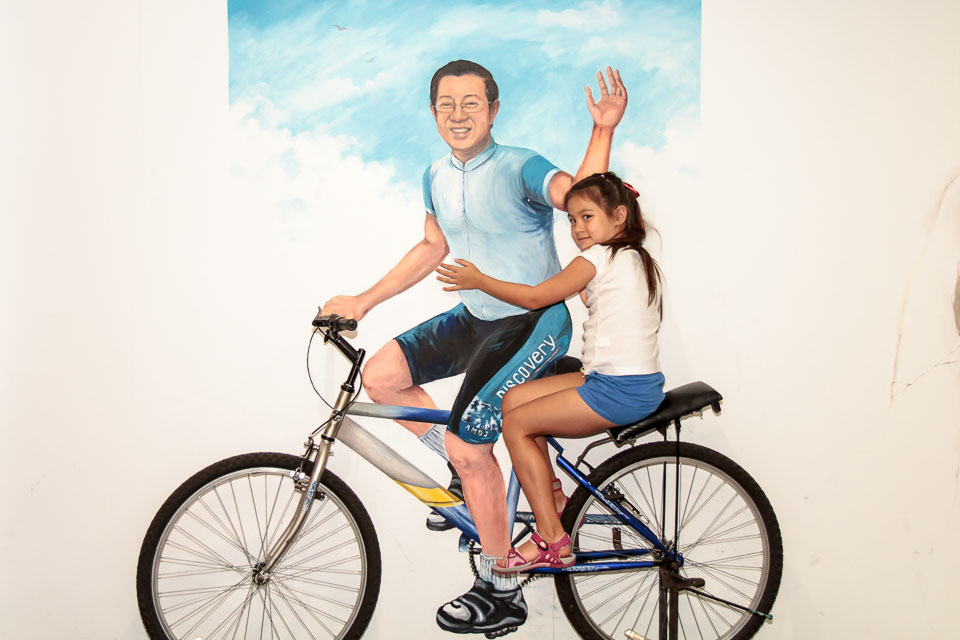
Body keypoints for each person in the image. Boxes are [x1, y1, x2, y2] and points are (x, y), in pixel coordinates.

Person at [322, 60, 628, 635]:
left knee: (470, 445)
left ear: (493, 109)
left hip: (533, 320)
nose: (458, 115)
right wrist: (363, 301)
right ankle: (465, 467)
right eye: (446, 104)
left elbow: (580, 198)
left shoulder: (520, 165)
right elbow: (432, 246)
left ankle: (501, 587)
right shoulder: (434, 174)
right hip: (477, 316)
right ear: (433, 111)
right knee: (381, 378)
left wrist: (602, 129)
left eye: (471, 103)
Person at [435, 171, 665, 573]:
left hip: (617, 389)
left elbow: (537, 297)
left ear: (619, 216)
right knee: (514, 399)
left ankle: (552, 540)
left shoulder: (598, 258)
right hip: (623, 381)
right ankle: (553, 499)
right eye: (572, 220)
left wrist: (479, 280)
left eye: (587, 217)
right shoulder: (633, 258)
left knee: (517, 425)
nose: (577, 228)